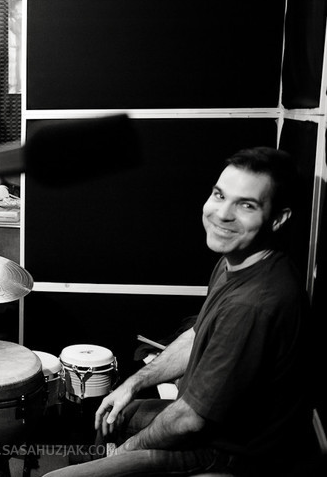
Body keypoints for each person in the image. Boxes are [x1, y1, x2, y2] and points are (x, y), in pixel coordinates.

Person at [45, 146, 314, 476]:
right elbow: (197, 334)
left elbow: (189, 420)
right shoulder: (241, 261)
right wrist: (132, 384)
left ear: (279, 218)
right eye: (219, 195)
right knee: (116, 415)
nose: (222, 214)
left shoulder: (254, 305)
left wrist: (128, 451)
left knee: (54, 476)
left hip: (232, 452)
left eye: (246, 205)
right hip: (213, 427)